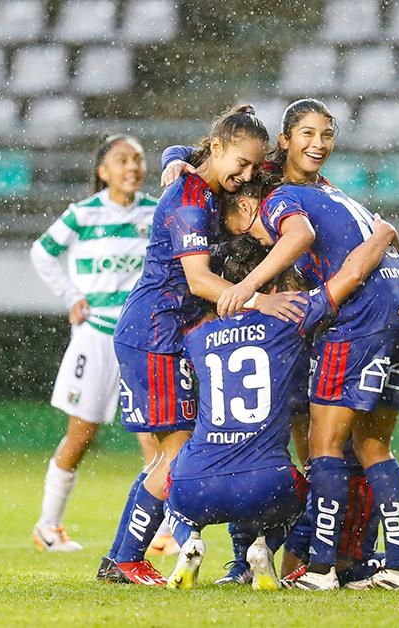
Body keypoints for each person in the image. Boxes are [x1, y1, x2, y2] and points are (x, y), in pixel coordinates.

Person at [213, 99, 399, 590]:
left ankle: (322, 567)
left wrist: (251, 288)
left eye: (325, 134)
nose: (318, 144)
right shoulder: (328, 193)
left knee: (323, 448)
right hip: (393, 309)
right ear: (284, 140)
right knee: (372, 447)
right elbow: (386, 235)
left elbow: (305, 239)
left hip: (350, 319)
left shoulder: (282, 197)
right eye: (308, 133)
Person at [101, 105, 302, 586]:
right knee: (178, 456)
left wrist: (174, 156)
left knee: (200, 448)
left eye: (253, 167)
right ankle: (124, 559)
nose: (247, 175)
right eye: (242, 164)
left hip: (172, 334)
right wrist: (261, 301)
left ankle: (198, 556)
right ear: (216, 148)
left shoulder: (204, 182)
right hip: (156, 334)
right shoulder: (191, 200)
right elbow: (198, 280)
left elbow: (184, 153)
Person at [164, 214, 399, 591]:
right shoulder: (288, 320)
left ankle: (190, 540)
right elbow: (349, 277)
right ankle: (265, 546)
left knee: (171, 490)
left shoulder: (196, 335)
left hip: (196, 483)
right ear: (272, 282)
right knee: (311, 491)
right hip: (266, 481)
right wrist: (381, 236)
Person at [27, 134, 162, 552]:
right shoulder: (82, 214)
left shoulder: (157, 212)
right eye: (122, 160)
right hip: (97, 335)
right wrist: (71, 295)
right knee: (82, 434)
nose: (132, 167)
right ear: (103, 171)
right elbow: (42, 252)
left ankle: (162, 534)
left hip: (141, 337)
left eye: (138, 159)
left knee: (153, 435)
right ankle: (48, 526)